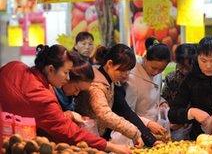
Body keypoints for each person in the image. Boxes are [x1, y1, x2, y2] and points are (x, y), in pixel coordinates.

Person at [0, 44, 130, 154]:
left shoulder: (14, 66)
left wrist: (67, 115)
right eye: (66, 72)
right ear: (51, 69)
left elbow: (42, 116)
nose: (68, 78)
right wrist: (111, 146)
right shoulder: (42, 96)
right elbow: (70, 132)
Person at [74, 44, 144, 148]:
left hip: (95, 137)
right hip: (86, 140)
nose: (126, 74)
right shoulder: (96, 86)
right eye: (122, 70)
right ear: (110, 64)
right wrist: (134, 133)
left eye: (128, 70)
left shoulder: (109, 80)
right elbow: (105, 114)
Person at [125, 42, 171, 139]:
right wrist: (148, 123)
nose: (156, 72)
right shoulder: (132, 78)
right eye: (153, 68)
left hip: (155, 129)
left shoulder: (157, 73)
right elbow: (126, 112)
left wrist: (162, 102)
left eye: (161, 69)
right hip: (136, 131)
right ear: (145, 58)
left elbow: (153, 95)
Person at [161, 44, 196, 140]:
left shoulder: (200, 78)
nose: (184, 70)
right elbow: (164, 100)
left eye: (188, 66)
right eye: (181, 66)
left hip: (196, 123)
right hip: (174, 122)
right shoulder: (171, 78)